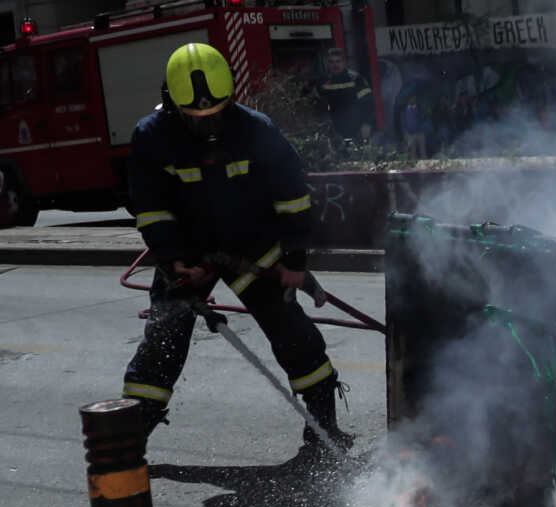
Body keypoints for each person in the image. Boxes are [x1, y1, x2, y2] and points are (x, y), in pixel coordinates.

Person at [122, 42, 353, 458]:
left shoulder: (257, 129)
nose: (210, 126)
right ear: (171, 105)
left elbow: (293, 199)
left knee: (293, 333)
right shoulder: (151, 138)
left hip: (253, 249)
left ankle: (324, 428)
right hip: (188, 255)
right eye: (197, 118)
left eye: (218, 113)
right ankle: (126, 439)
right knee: (164, 341)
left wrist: (296, 262)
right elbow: (151, 209)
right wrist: (174, 262)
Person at [314, 48, 374, 144]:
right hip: (333, 129)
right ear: (327, 63)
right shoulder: (322, 82)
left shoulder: (355, 79)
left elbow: (369, 104)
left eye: (338, 61)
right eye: (331, 62)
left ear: (344, 62)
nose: (335, 65)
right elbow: (317, 105)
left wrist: (366, 124)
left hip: (356, 128)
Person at [395, 94, 426, 160]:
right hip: (409, 134)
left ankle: (424, 162)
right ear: (408, 99)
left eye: (414, 98)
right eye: (411, 98)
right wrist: (406, 133)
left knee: (422, 148)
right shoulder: (403, 111)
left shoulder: (419, 109)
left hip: (419, 132)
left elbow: (423, 119)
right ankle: (413, 162)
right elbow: (403, 124)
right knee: (412, 149)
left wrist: (417, 112)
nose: (413, 100)